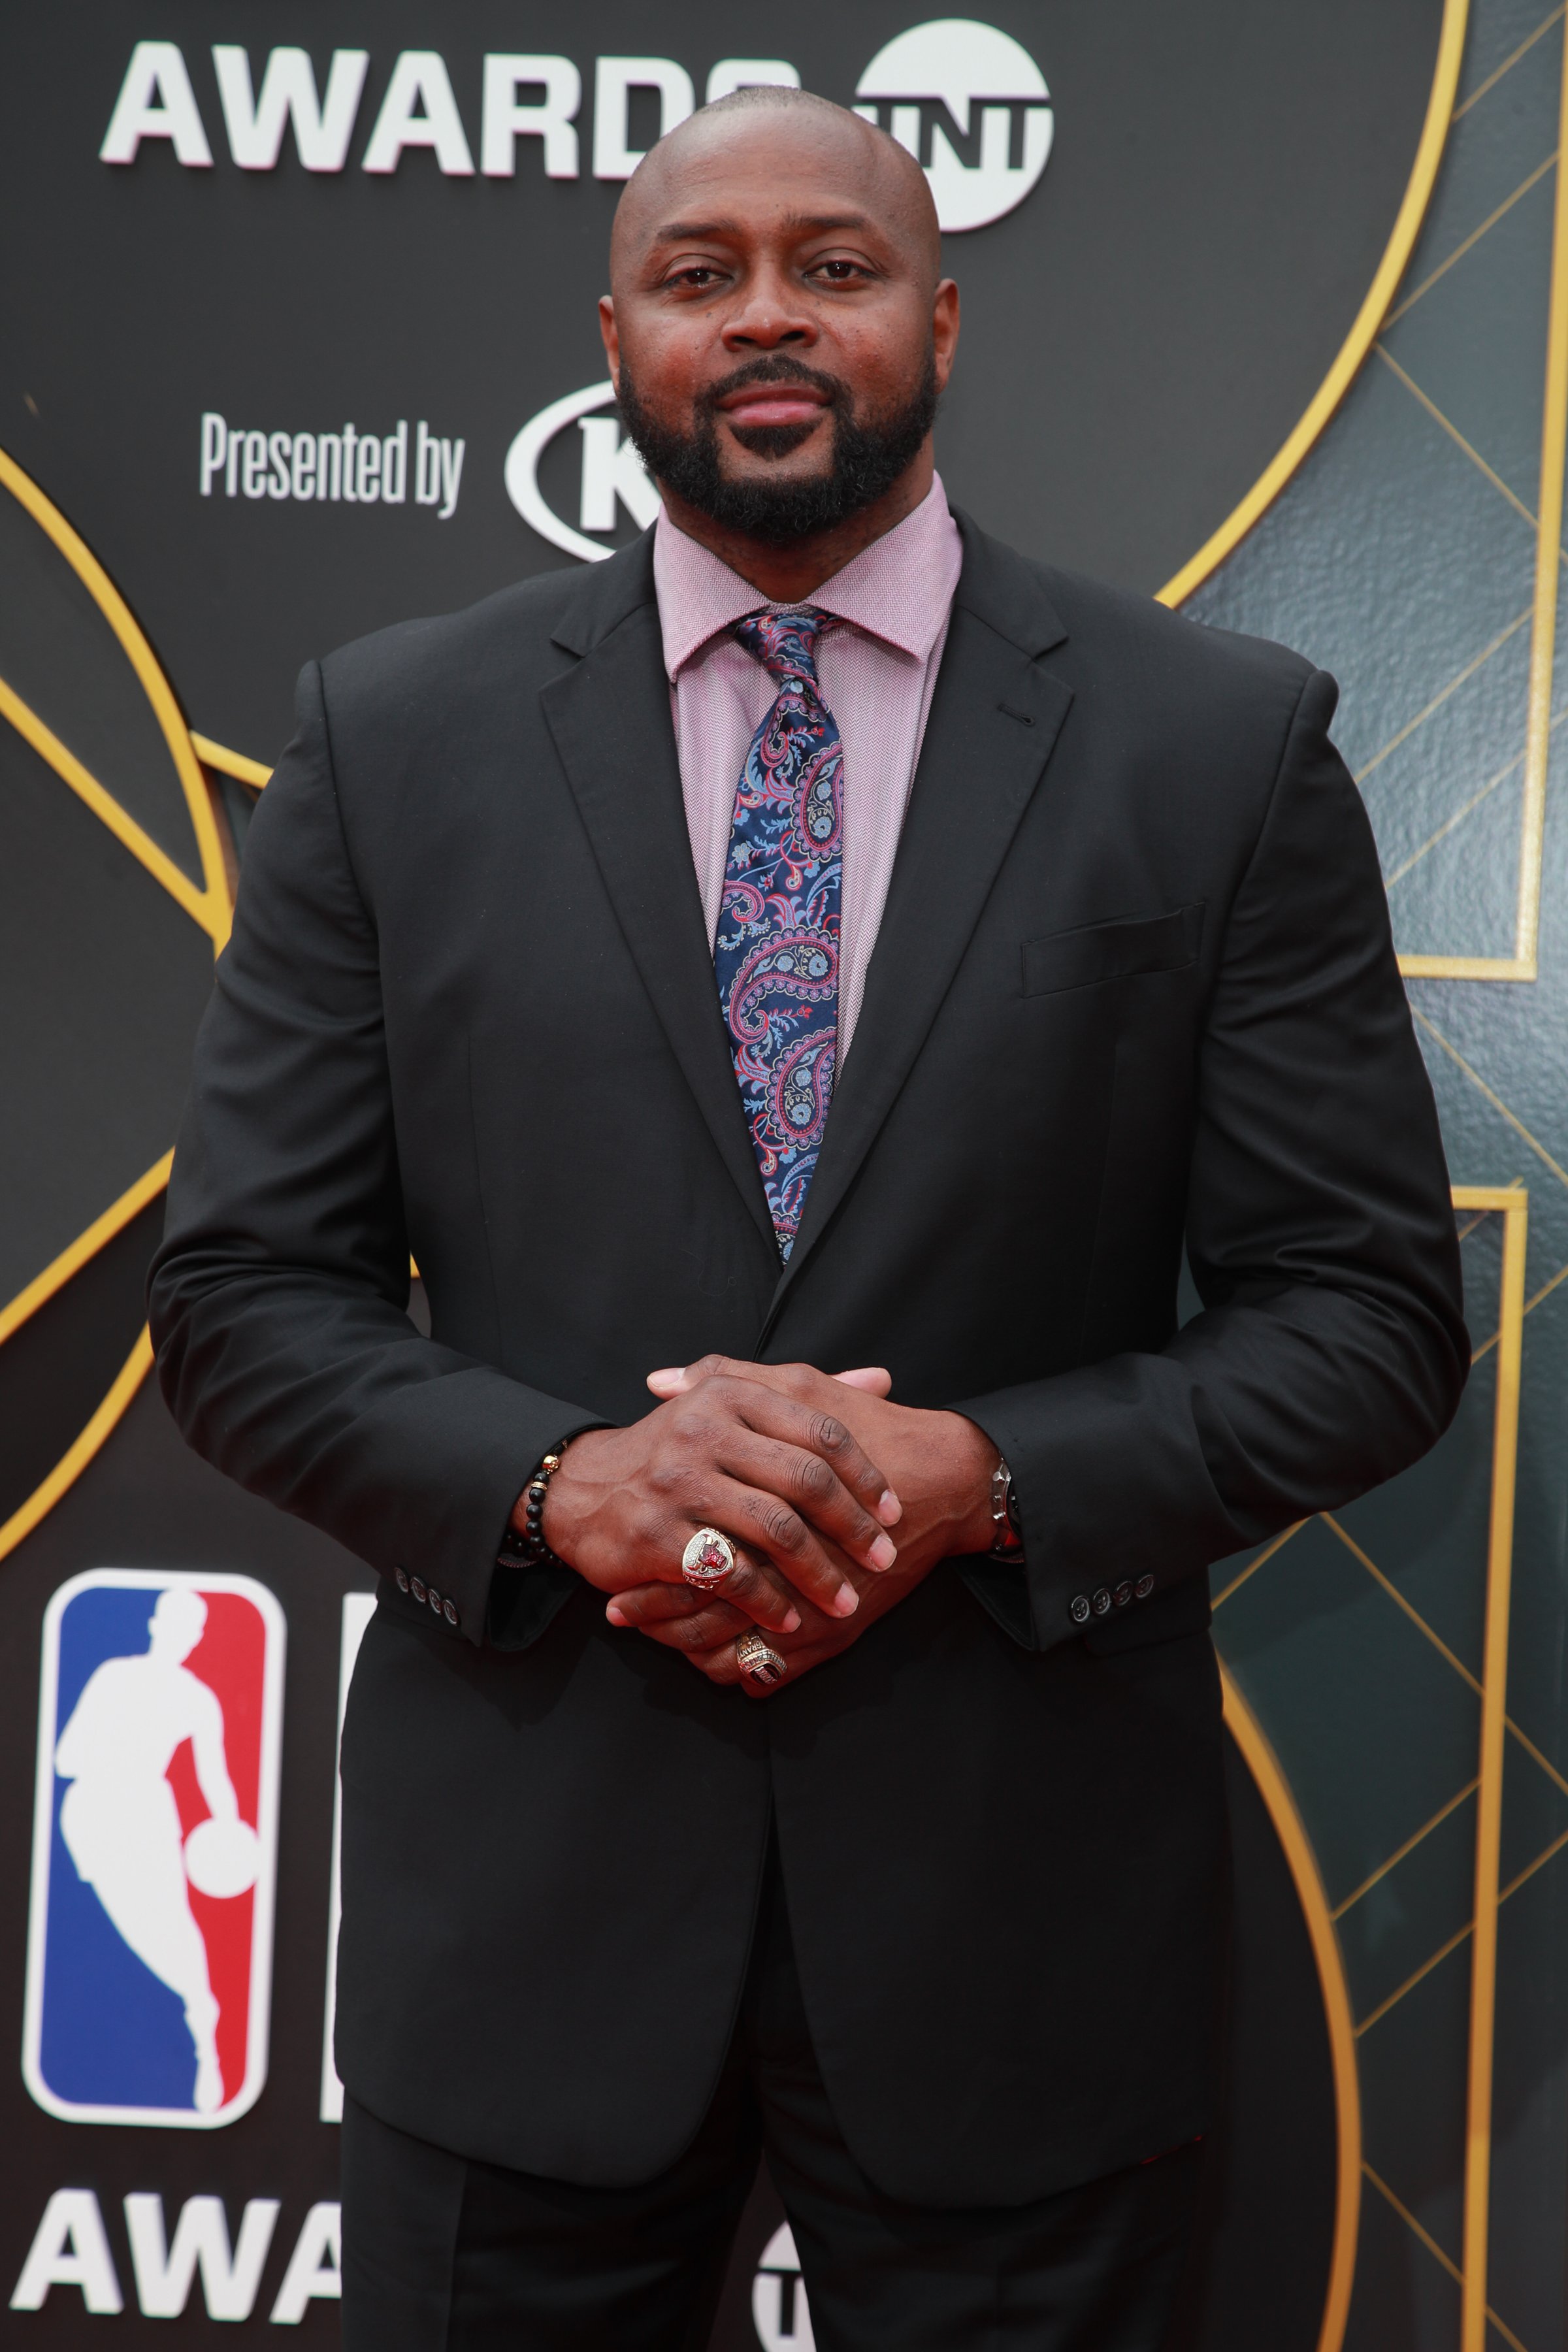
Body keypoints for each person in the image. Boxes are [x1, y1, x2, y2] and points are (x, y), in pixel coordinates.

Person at [150, 84, 1467, 2351]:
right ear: (614, 338)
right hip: (528, 1938)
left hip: (1022, 1939)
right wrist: (566, 1485)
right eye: (701, 273)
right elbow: (245, 1299)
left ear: (941, 320)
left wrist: (993, 1480)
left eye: (834, 268)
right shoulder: (391, 740)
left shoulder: (1215, 746)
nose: (769, 317)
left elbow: (1363, 1315)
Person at [54, 1586, 242, 2113]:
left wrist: (227, 1831)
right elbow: (66, 1757)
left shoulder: (198, 1699)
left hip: (146, 1815)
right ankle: (190, 2017)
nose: (184, 1636)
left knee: (172, 1927)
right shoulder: (114, 1676)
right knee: (115, 1929)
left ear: (198, 1637)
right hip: (92, 1814)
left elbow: (216, 1780)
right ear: (158, 1623)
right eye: (178, 1622)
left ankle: (203, 2028)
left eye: (193, 1627)